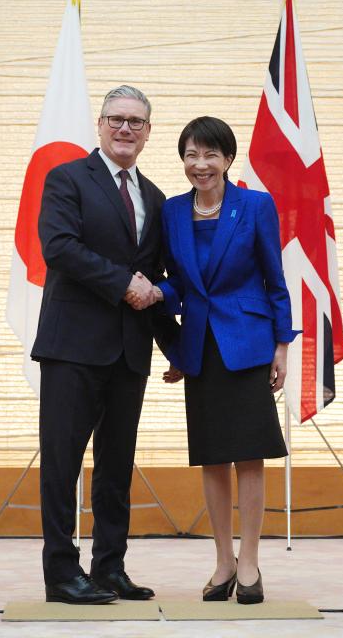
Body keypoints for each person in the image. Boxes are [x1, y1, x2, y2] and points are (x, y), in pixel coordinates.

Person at [129, 116, 299, 604]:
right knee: (211, 456)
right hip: (199, 345)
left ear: (228, 158)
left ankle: (249, 563)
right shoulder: (173, 212)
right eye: (191, 155)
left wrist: (282, 346)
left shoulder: (255, 205)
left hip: (248, 343)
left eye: (210, 155)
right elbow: (181, 283)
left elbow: (275, 280)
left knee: (249, 454)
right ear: (182, 159)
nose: (200, 164)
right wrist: (156, 293)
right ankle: (222, 562)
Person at [31, 85, 177, 604]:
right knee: (61, 463)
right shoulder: (67, 178)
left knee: (116, 466)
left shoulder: (156, 198)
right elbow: (60, 248)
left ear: (148, 132)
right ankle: (61, 574)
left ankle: (109, 567)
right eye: (116, 118)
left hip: (129, 351)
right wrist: (122, 283)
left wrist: (175, 349)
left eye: (136, 122)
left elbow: (156, 278)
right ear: (99, 124)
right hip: (72, 346)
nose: (125, 129)